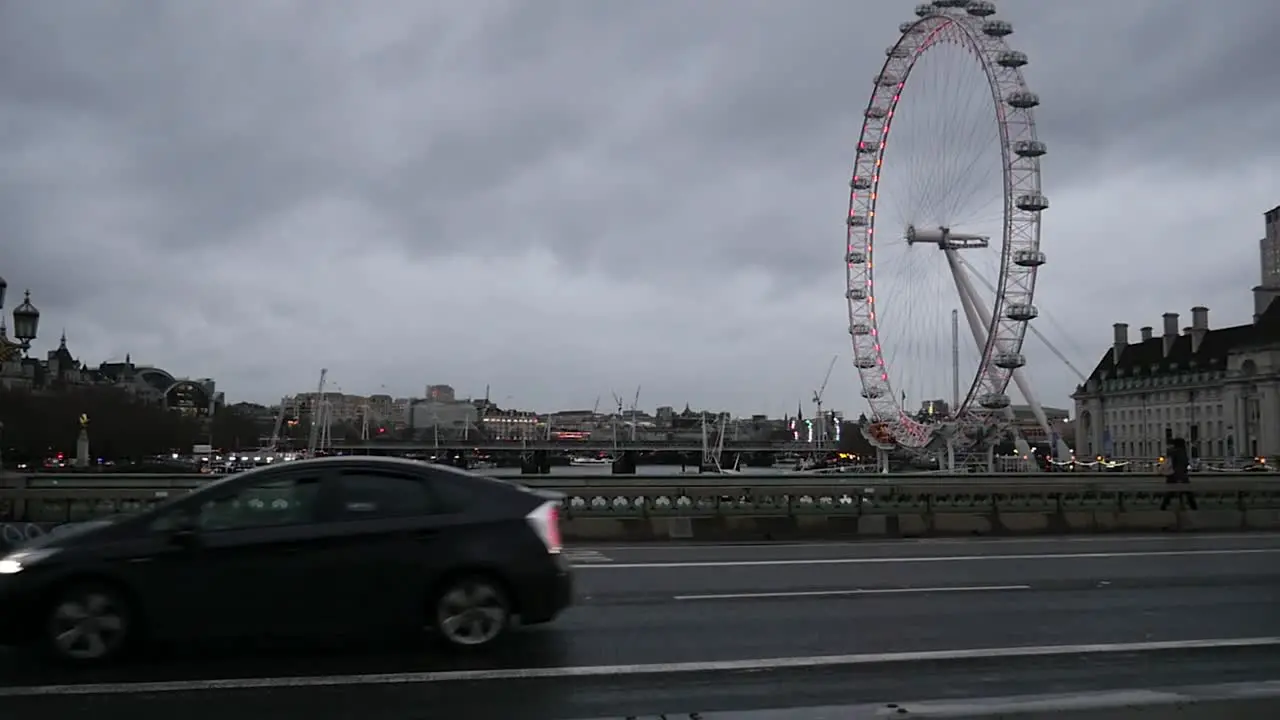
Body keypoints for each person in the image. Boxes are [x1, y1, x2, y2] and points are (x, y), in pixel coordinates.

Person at [1159, 437, 1197, 510]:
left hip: (1171, 475)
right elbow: (1182, 464)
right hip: (1180, 476)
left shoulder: (1171, 452)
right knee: (1188, 492)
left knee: (1170, 492)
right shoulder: (1181, 452)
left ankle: (1163, 507)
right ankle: (1193, 507)